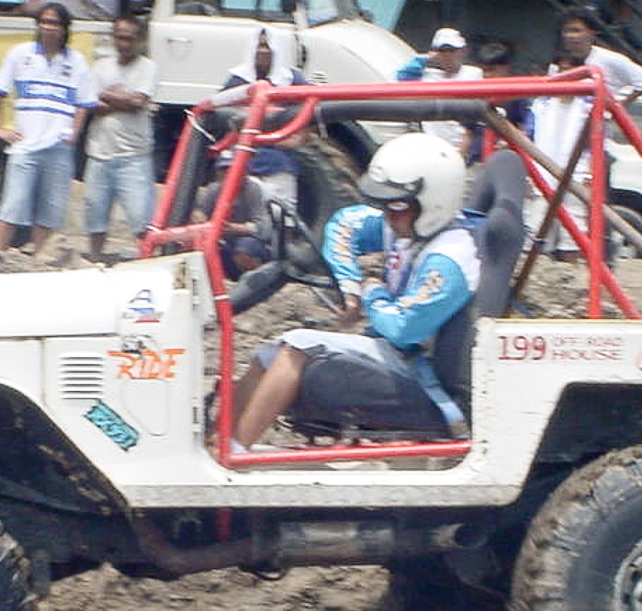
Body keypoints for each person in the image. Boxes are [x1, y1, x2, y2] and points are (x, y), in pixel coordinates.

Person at [231, 132, 483, 449]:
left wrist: (372, 292)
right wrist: (350, 286)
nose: (388, 217)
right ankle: (221, 443)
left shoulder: (450, 259)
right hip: (394, 349)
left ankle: (235, 455)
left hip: (417, 366)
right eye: (385, 206)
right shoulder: (407, 226)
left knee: (295, 348)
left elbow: (403, 328)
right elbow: (344, 224)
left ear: (433, 203)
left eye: (397, 206)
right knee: (266, 354)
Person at [526, 8, 642, 260]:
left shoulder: (607, 60)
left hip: (592, 145)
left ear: (591, 32)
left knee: (589, 211)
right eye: (567, 30)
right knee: (544, 220)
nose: (571, 36)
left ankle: (601, 260)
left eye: (577, 30)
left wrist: (614, 108)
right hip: (556, 149)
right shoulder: (556, 70)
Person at [0, 2, 97, 255]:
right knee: (12, 208)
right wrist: (0, 128)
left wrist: (75, 132)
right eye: (44, 22)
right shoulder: (20, 54)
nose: (48, 27)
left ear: (64, 28)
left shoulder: (76, 61)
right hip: (25, 147)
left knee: (49, 213)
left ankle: (41, 262)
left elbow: (84, 102)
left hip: (59, 148)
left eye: (54, 23)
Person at [83, 15, 157, 264]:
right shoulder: (100, 66)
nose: (124, 44)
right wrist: (120, 97)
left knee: (141, 218)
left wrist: (107, 95)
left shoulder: (148, 67)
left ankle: (146, 261)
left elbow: (138, 102)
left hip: (133, 155)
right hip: (100, 152)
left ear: (139, 40)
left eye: (129, 38)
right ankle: (95, 260)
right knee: (95, 214)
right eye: (120, 38)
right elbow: (91, 103)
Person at [219, 26, 308, 209]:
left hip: (278, 165)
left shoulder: (293, 81)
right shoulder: (237, 81)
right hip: (239, 165)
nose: (263, 51)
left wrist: (270, 139)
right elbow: (222, 122)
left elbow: (302, 132)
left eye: (267, 46)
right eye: (259, 46)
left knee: (279, 216)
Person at [397, 28, 484, 161]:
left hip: (461, 147)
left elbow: (473, 122)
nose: (447, 55)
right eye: (442, 51)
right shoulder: (428, 76)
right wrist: (426, 58)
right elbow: (402, 77)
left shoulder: (474, 74)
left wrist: (462, 153)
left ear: (462, 51)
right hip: (432, 146)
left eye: (452, 50)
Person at [195, 157, 271, 279]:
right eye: (223, 169)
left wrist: (234, 228)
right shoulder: (214, 189)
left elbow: (261, 228)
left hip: (250, 242)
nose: (226, 173)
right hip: (223, 242)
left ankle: (254, 281)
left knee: (245, 248)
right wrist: (200, 218)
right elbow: (201, 214)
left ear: (244, 172)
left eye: (231, 169)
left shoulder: (253, 189)